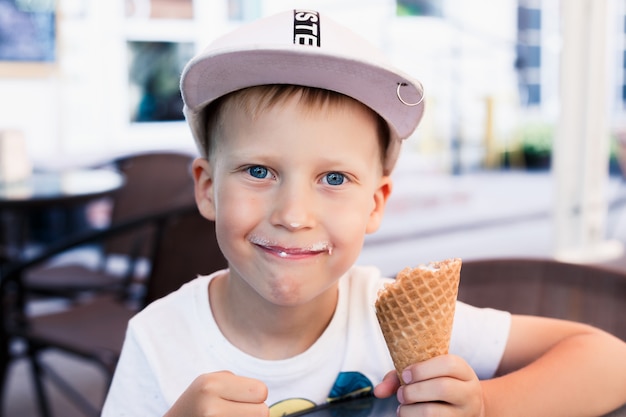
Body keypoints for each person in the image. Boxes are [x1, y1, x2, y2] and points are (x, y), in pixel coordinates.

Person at [101, 9, 626, 417]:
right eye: (259, 171)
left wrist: (486, 406)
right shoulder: (159, 339)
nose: (293, 214)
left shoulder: (381, 315)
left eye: (334, 178)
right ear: (208, 188)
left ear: (375, 203)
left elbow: (609, 361)